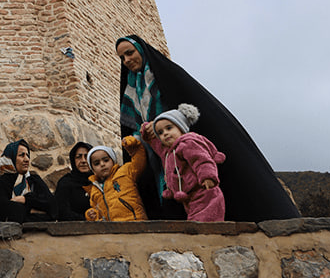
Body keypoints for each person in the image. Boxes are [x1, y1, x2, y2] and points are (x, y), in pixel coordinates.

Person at [116, 34, 299, 221]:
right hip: (156, 153)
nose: (127, 60)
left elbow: (182, 105)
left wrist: (164, 126)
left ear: (141, 50)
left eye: (130, 53)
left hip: (181, 146)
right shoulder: (130, 90)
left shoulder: (165, 77)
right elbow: (134, 124)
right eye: (122, 58)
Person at [143, 104, 227, 222]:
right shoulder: (167, 152)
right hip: (189, 197)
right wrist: (146, 129)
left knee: (205, 222)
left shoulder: (188, 143)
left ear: (181, 128)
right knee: (194, 221)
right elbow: (154, 142)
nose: (165, 133)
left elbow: (202, 160)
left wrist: (207, 176)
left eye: (169, 128)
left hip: (205, 191)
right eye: (160, 132)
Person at [84, 136, 147, 222]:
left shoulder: (125, 171)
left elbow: (139, 161)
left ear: (113, 161)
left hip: (135, 222)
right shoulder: (94, 189)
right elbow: (97, 210)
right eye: (96, 163)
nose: (102, 164)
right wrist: (93, 215)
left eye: (106, 160)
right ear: (93, 170)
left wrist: (135, 147)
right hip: (112, 230)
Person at [0, 139, 54, 222]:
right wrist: (36, 210)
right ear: (11, 158)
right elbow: (4, 214)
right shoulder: (1, 183)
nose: (27, 159)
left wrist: (25, 199)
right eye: (22, 155)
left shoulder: (34, 180)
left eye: (27, 155)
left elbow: (53, 208)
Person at [54, 142, 93, 221]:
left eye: (86, 156)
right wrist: (86, 219)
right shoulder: (65, 183)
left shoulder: (99, 182)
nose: (83, 161)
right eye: (79, 157)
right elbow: (62, 213)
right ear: (73, 160)